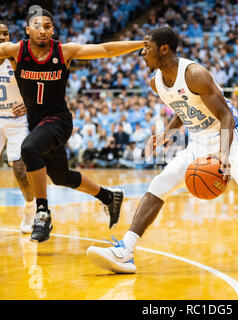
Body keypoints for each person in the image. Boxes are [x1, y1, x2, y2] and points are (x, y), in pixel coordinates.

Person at [86, 27, 238, 274]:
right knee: (161, 183)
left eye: (146, 48)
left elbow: (226, 115)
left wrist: (224, 155)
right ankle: (125, 251)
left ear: (164, 49)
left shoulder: (195, 74)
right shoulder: (156, 83)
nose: (142, 53)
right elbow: (183, 106)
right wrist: (168, 133)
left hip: (231, 138)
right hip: (198, 142)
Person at [0, 7, 144, 242]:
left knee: (29, 149)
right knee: (61, 177)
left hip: (58, 121)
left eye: (47, 26)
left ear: (53, 30)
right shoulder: (15, 51)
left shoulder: (64, 51)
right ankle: (109, 196)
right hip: (38, 124)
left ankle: (42, 212)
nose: (43, 30)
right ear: (27, 30)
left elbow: (106, 49)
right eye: (37, 26)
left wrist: (141, 43)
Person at [0, 20, 35, 233]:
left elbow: (37, 86)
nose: (3, 37)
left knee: (21, 171)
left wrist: (29, 103)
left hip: (16, 121)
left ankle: (30, 208)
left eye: (5, 33)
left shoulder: (17, 59)